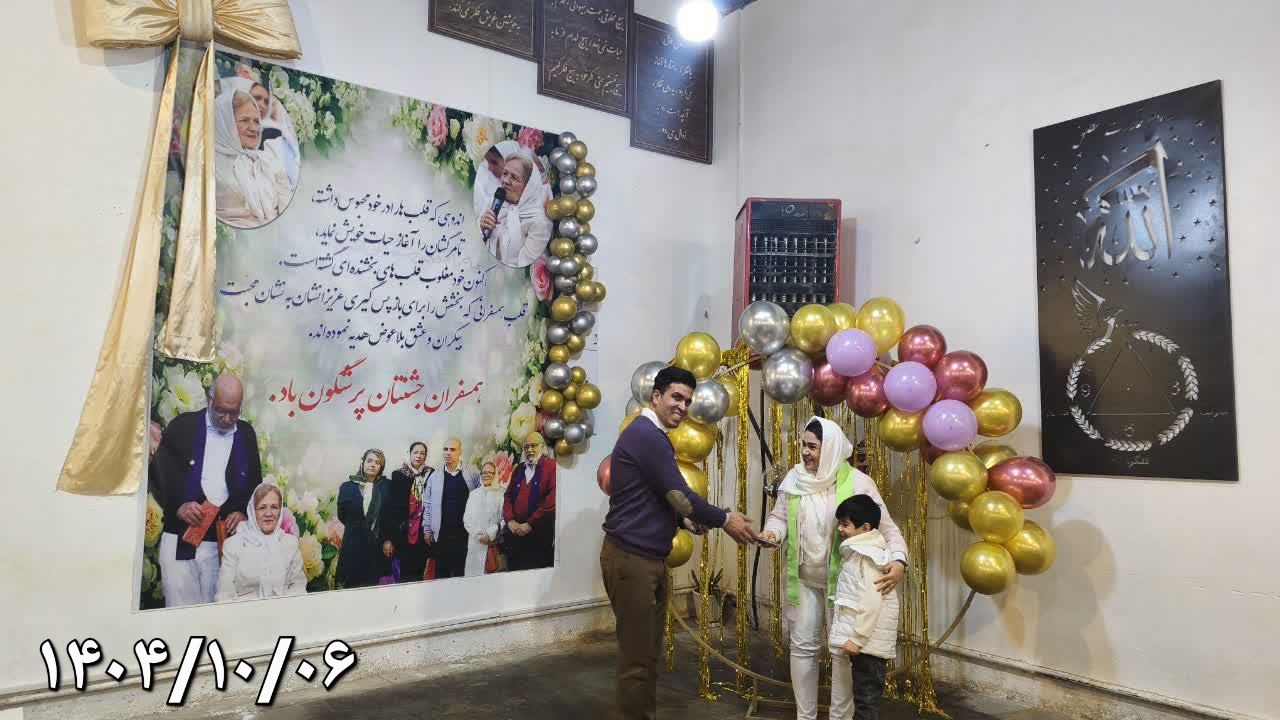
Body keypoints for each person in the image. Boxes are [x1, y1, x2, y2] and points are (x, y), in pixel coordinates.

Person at [601, 365, 760, 720]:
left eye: (687, 401)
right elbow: (680, 494)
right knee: (637, 662)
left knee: (646, 657)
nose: (682, 407)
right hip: (632, 560)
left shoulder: (653, 435)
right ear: (655, 396)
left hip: (645, 559)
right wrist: (724, 519)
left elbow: (655, 495)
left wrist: (683, 520)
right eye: (676, 397)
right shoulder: (646, 435)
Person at [759, 417, 908, 720]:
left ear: (829, 449)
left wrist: (899, 561)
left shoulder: (859, 482)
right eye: (803, 445)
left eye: (812, 446)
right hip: (803, 579)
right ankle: (805, 716)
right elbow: (779, 517)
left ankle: (840, 718)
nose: (805, 452)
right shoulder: (794, 478)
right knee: (802, 647)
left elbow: (887, 528)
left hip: (844, 586)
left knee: (842, 652)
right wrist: (772, 533)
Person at [149, 375, 263, 607]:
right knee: (180, 616)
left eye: (234, 413)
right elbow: (158, 476)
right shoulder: (182, 425)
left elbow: (255, 487)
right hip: (179, 539)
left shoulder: (246, 434)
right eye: (221, 411)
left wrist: (243, 513)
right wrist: (177, 507)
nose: (227, 419)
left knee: (218, 616)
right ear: (209, 399)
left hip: (223, 545)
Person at [828, 495, 900, 720]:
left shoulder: (868, 558)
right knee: (863, 700)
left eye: (845, 524)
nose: (840, 529)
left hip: (869, 646)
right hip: (867, 644)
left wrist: (857, 639)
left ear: (865, 528)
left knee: (866, 704)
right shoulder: (858, 553)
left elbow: (871, 602)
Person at [214, 88, 293, 228]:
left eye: (256, 121)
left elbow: (287, 211)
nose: (254, 128)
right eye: (245, 120)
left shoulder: (267, 160)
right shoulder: (209, 165)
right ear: (225, 123)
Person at [215, 482, 307, 602]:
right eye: (262, 507)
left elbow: (299, 588)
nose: (268, 513)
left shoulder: (290, 543)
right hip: (245, 611)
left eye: (274, 507)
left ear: (280, 511)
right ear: (253, 512)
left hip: (283, 609)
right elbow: (224, 596)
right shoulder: (233, 545)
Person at [479, 150, 553, 268]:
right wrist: (483, 232)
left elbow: (521, 268)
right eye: (505, 173)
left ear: (529, 187)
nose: (505, 181)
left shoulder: (539, 223)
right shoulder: (494, 204)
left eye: (514, 178)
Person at [424, 439, 480, 579]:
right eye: (445, 449)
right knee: (441, 577)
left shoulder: (472, 472)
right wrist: (427, 529)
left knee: (462, 576)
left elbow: (481, 497)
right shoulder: (434, 476)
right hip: (441, 536)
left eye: (452, 449)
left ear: (460, 452)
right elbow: (427, 504)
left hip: (465, 536)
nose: (448, 453)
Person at [336, 449, 391, 588]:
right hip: (352, 544)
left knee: (372, 588)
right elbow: (342, 515)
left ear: (381, 467)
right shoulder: (347, 487)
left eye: (377, 463)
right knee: (350, 588)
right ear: (363, 462)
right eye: (369, 461)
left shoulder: (386, 487)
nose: (373, 465)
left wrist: (387, 539)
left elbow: (389, 516)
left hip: (375, 547)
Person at [502, 433, 557, 571]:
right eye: (526, 447)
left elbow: (551, 501)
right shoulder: (519, 469)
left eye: (533, 445)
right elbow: (508, 496)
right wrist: (510, 521)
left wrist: (530, 524)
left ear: (542, 447)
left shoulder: (552, 467)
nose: (529, 449)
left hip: (538, 539)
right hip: (515, 537)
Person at [382, 441, 434, 583]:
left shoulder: (432, 474)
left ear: (425, 456)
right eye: (415, 452)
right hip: (403, 533)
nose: (418, 456)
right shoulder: (398, 475)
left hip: (423, 532)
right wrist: (389, 537)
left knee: (421, 574)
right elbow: (391, 508)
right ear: (409, 454)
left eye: (422, 453)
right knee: (403, 576)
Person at [463, 460, 505, 576]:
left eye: (490, 472)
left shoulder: (502, 493)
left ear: (495, 474)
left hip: (493, 544)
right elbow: (467, 520)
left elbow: (505, 519)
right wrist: (480, 535)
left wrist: (490, 534)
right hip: (475, 545)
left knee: (492, 580)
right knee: (474, 580)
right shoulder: (473, 494)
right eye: (484, 472)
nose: (486, 475)